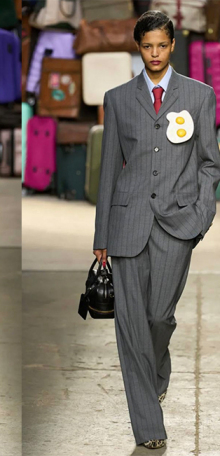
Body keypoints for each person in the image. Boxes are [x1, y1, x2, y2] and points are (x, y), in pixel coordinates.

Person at [93, 10, 220, 449]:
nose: (155, 53)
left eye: (162, 45)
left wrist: (201, 216)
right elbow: (109, 170)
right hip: (127, 222)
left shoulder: (199, 96)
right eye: (147, 46)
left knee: (159, 317)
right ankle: (149, 426)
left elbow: (210, 163)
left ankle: (157, 369)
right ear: (138, 47)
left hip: (178, 223)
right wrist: (101, 236)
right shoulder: (118, 98)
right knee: (130, 326)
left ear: (172, 46)